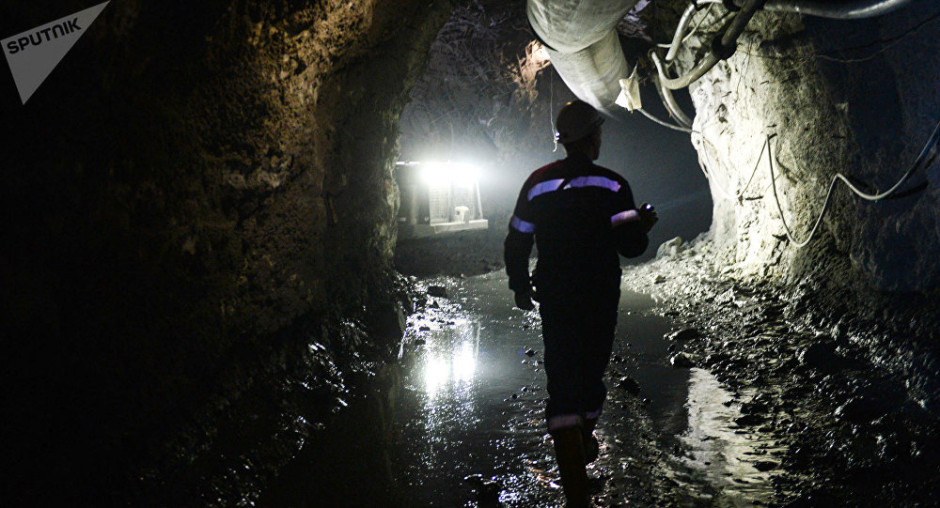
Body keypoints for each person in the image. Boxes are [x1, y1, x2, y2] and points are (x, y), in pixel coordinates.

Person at [503, 100, 657, 507]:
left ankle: (573, 481)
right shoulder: (612, 184)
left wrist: (519, 285)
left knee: (562, 373)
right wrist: (641, 225)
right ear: (593, 138)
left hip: (556, 295)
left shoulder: (537, 183)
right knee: (591, 373)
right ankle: (582, 440)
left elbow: (517, 239)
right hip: (599, 294)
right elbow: (631, 247)